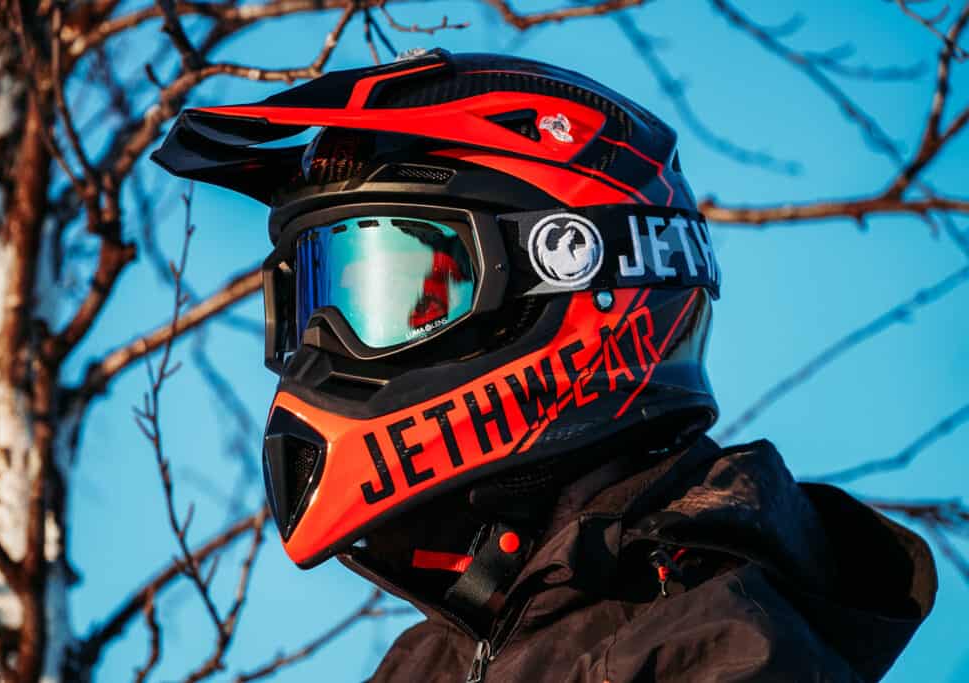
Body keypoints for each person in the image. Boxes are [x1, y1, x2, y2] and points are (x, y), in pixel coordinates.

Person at [154, 50, 937, 682]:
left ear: (570, 271)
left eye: (402, 291)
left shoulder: (716, 646)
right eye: (318, 298)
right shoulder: (432, 656)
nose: (325, 344)